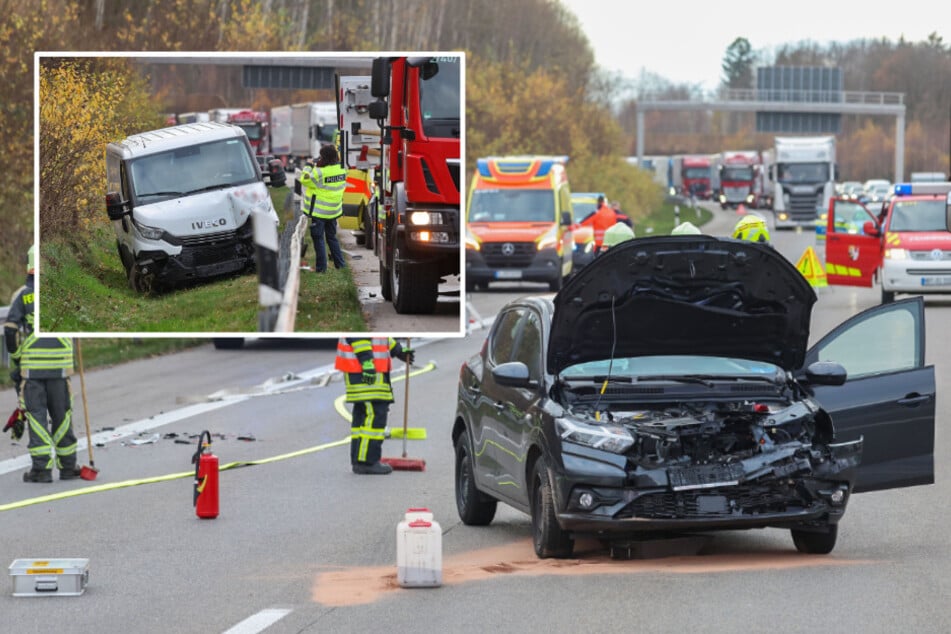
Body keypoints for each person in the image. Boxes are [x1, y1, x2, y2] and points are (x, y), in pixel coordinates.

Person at [3, 246, 80, 482]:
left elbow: (10, 330)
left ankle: (41, 470)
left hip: (33, 371)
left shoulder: (22, 295)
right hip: (60, 369)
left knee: (36, 419)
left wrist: (16, 358)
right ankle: (68, 467)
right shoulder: (63, 292)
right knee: (62, 417)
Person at [335, 337, 415, 475]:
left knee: (363, 418)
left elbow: (380, 338)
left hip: (364, 373)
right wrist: (367, 363)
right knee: (375, 417)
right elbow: (359, 338)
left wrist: (397, 349)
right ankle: (368, 461)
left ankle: (359, 459)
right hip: (365, 373)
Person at [300, 144, 347, 273]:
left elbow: (304, 179)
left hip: (319, 213)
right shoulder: (342, 169)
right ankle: (341, 265)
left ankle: (321, 269)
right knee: (332, 238)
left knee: (318, 238)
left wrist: (309, 165)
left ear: (323, 157)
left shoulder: (319, 172)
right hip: (333, 211)